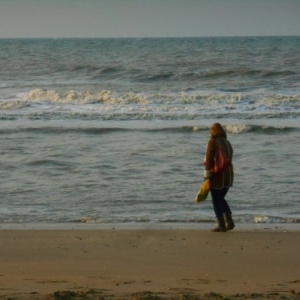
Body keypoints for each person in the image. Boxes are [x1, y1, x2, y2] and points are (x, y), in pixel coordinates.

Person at [204, 123, 235, 232]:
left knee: (216, 200)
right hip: (229, 175)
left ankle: (221, 224)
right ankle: (229, 221)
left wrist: (207, 173)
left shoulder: (213, 142)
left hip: (218, 175)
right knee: (221, 198)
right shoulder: (227, 143)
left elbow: (209, 158)